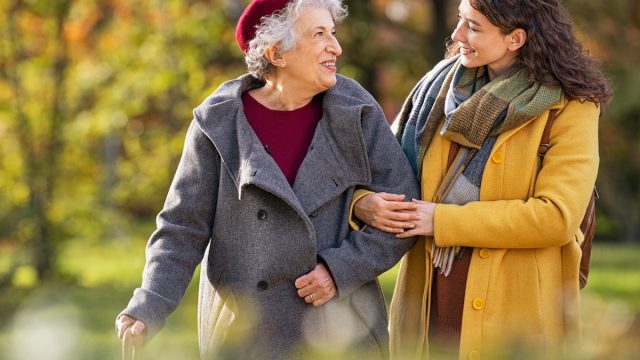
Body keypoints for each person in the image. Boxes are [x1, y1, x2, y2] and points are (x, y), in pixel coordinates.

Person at [115, 0, 419, 359]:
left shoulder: (356, 111)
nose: (335, 47)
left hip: (341, 330)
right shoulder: (218, 123)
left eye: (332, 33)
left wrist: (340, 270)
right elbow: (182, 228)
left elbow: (403, 211)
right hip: (247, 335)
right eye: (319, 34)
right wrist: (148, 304)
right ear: (277, 53)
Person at [351, 0, 611, 358]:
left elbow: (556, 217)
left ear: (515, 38)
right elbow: (379, 172)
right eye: (460, 20)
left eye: (473, 27)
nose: (457, 36)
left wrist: (441, 220)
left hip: (514, 312)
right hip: (429, 300)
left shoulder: (570, 106)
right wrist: (361, 203)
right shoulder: (437, 92)